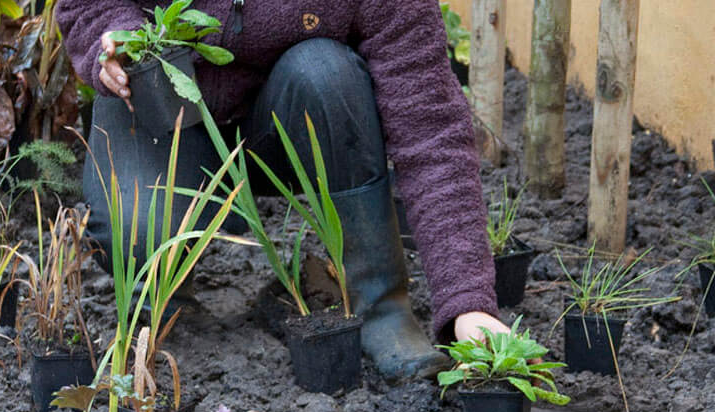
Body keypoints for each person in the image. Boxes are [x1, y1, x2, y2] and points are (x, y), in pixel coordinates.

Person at [55, 0, 510, 380]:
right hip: (162, 116)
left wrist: (468, 301)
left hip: (285, 124)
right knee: (139, 226)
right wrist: (118, 39)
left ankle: (379, 308)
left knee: (326, 71)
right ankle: (164, 307)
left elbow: (428, 125)